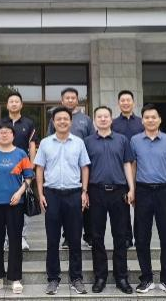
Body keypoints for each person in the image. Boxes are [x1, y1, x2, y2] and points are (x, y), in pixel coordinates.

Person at [35, 106, 91, 296]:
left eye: (65, 119)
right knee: (52, 240)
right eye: (58, 119)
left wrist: (84, 191)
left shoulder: (79, 143)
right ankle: (53, 278)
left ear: (71, 121)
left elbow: (84, 167)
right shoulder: (45, 143)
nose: (62, 122)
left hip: (74, 194)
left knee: (75, 239)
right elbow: (39, 169)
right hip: (52, 195)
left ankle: (76, 278)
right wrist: (41, 194)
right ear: (53, 122)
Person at [84, 106, 135, 294]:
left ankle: (121, 277)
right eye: (99, 116)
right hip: (95, 192)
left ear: (111, 119)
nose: (103, 119)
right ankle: (100, 277)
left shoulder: (122, 140)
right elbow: (85, 168)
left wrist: (131, 188)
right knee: (96, 236)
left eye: (106, 116)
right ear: (95, 120)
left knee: (120, 235)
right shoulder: (87, 142)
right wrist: (84, 191)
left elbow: (127, 164)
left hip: (118, 192)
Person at [131, 104, 166, 296]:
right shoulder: (135, 140)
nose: (150, 120)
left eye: (154, 117)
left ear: (159, 120)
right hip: (143, 191)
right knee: (142, 237)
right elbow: (133, 166)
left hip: (164, 192)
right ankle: (146, 278)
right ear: (142, 120)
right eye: (147, 117)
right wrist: (132, 190)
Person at [0, 123, 34, 295]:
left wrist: (19, 193)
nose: (4, 135)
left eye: (7, 132)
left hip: (15, 204)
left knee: (15, 241)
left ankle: (15, 279)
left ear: (13, 135)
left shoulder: (21, 154)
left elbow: (28, 177)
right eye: (1, 132)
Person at [0, 91, 39, 251]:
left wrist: (31, 165)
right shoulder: (0, 123)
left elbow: (32, 145)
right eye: (11, 101)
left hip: (22, 167)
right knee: (4, 202)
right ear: (7, 105)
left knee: (22, 202)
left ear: (21, 104)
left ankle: (21, 237)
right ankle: (6, 238)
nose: (13, 103)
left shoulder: (28, 123)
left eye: (16, 101)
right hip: (3, 168)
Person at [47, 87, 94, 248]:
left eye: (73, 97)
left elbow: (91, 141)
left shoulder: (86, 119)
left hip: (81, 165)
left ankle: (88, 235)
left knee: (84, 201)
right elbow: (49, 140)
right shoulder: (55, 119)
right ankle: (67, 237)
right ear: (62, 100)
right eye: (67, 98)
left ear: (77, 100)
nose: (70, 100)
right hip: (62, 166)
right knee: (65, 205)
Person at [112, 89, 143, 248]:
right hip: (121, 169)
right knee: (123, 206)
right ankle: (126, 237)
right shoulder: (113, 123)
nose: (125, 103)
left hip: (141, 168)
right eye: (122, 100)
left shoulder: (141, 122)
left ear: (133, 102)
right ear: (118, 103)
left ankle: (140, 237)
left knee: (140, 205)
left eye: (128, 100)